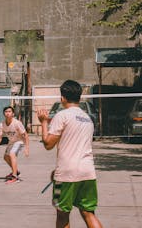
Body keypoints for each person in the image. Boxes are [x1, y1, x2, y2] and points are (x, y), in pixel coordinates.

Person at [37, 80, 103, 228]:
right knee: (88, 213)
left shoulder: (62, 115)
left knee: (62, 215)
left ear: (62, 98)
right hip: (88, 172)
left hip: (67, 173)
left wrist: (43, 122)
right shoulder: (88, 119)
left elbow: (48, 144)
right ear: (79, 98)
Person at [0, 106, 29, 184]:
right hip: (11, 142)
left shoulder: (17, 123)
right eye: (6, 112)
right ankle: (16, 171)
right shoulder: (2, 124)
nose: (7, 113)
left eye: (9, 111)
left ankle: (15, 177)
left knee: (12, 154)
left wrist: (27, 148)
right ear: (4, 114)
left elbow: (25, 135)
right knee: (6, 157)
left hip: (19, 141)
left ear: (13, 114)